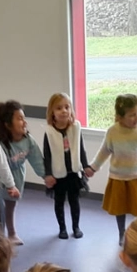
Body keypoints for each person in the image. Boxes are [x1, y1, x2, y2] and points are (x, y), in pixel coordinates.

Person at [84, 94, 137, 246]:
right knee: (120, 208)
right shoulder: (112, 132)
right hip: (118, 178)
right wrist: (93, 167)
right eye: (131, 115)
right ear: (120, 116)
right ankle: (121, 233)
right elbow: (104, 151)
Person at [0, 100, 47, 245]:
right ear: (7, 124)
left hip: (17, 176)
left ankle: (12, 233)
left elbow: (36, 159)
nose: (24, 122)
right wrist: (7, 184)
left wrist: (45, 176)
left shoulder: (27, 140)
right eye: (20, 118)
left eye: (24, 118)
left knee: (11, 205)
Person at [42, 93, 89, 240]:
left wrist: (86, 166)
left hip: (74, 172)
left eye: (67, 107)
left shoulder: (76, 128)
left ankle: (76, 227)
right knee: (59, 201)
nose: (64, 111)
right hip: (58, 174)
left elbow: (81, 148)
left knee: (74, 201)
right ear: (52, 112)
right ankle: (62, 228)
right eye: (59, 108)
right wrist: (48, 174)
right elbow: (47, 155)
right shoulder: (49, 132)